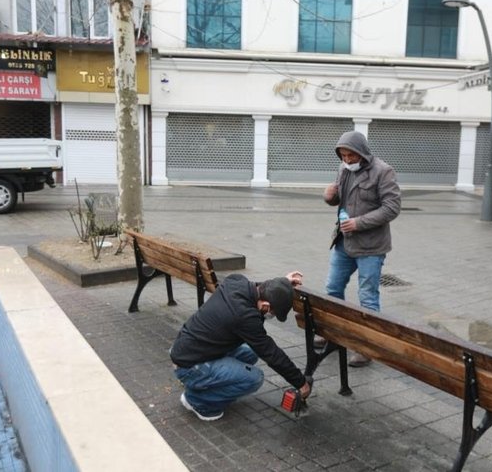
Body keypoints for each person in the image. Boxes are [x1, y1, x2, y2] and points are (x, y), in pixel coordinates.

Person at [170, 271, 311, 421]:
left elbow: (264, 287)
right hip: (189, 366)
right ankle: (196, 401)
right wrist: (301, 383)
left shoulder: (236, 281)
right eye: (273, 313)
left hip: (187, 349)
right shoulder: (245, 317)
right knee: (255, 378)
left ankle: (204, 383)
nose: (271, 316)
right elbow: (272, 354)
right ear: (265, 306)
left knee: (251, 351)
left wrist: (282, 284)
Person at [320, 130, 401, 367]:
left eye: (351, 156)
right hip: (343, 242)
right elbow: (339, 200)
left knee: (367, 296)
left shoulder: (383, 171)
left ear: (362, 152)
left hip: (371, 246)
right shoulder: (343, 168)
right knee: (332, 288)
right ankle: (334, 334)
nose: (347, 160)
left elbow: (392, 208)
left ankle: (367, 347)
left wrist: (359, 223)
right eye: (343, 156)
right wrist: (329, 197)